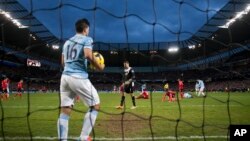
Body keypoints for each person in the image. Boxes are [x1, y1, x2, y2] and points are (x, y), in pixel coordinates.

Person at [57, 18, 105, 141]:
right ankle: (83, 137)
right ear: (85, 29)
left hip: (65, 77)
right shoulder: (87, 39)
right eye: (88, 29)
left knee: (65, 110)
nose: (88, 31)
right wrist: (99, 66)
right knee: (95, 105)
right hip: (78, 77)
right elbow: (88, 55)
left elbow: (62, 62)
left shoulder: (67, 42)